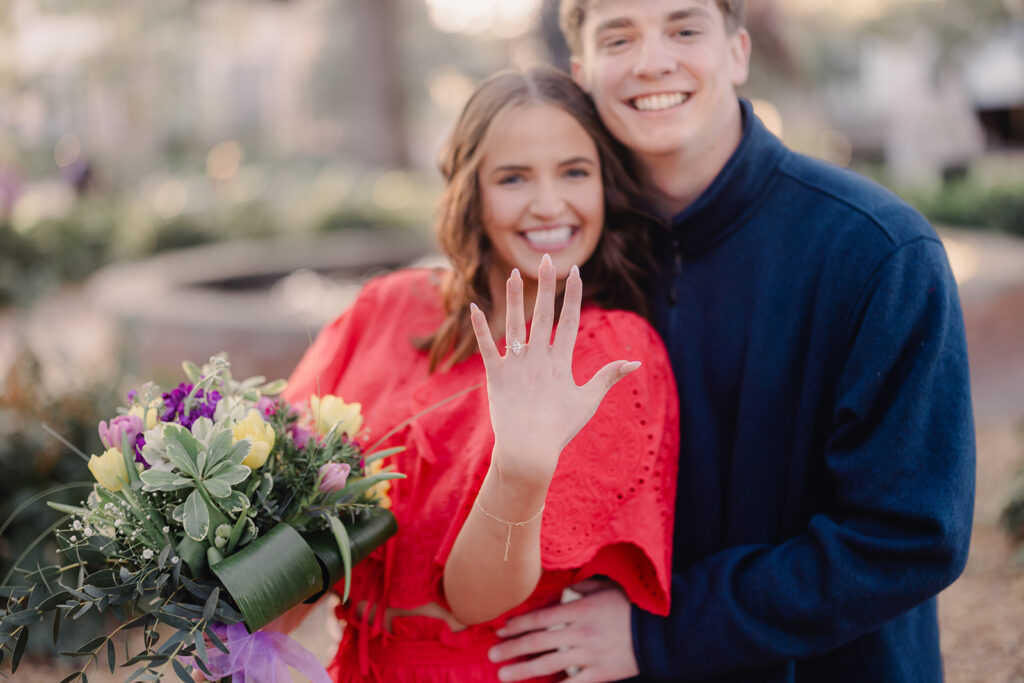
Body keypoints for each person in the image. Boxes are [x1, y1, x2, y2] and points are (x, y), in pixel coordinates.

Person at [488, 1, 976, 681]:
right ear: (584, 72)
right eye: (619, 37)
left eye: (685, 29)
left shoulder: (879, 252)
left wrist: (665, 631)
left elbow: (909, 535)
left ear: (738, 52)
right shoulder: (572, 257)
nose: (653, 59)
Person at [284, 66, 680, 681]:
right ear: (473, 192)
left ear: (607, 185)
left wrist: (519, 471)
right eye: (513, 177)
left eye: (575, 172)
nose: (549, 204)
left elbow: (474, 599)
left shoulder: (612, 353)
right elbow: (281, 504)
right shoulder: (386, 307)